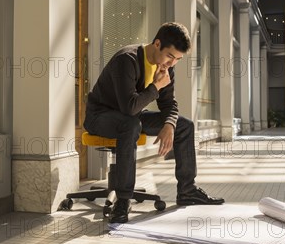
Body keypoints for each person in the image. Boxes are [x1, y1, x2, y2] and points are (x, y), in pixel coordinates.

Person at [84, 22, 224, 224]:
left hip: (130, 116)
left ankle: (187, 190)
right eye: (170, 56)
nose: (172, 63)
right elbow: (129, 108)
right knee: (130, 125)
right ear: (157, 44)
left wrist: (169, 124)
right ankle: (123, 200)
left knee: (185, 125)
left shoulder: (167, 67)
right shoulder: (127, 60)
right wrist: (157, 85)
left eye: (177, 59)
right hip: (100, 116)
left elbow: (169, 104)